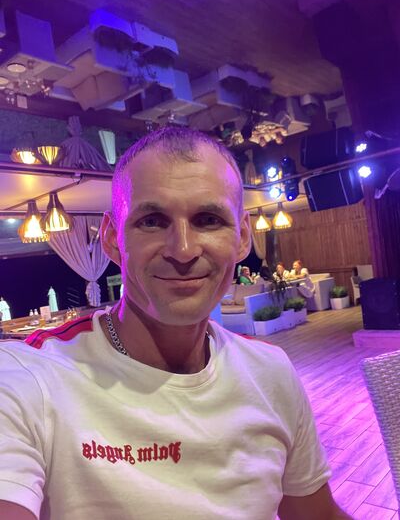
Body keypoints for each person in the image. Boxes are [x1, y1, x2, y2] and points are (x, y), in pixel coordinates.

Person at [0, 127, 351, 520]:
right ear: (113, 238)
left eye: (208, 219)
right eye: (152, 221)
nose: (183, 250)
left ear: (241, 237)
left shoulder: (271, 372)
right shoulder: (29, 379)